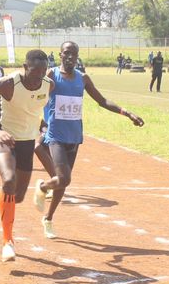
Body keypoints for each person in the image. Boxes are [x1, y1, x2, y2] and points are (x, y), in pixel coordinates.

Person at [33, 42, 144, 238]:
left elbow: (102, 101)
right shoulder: (51, 75)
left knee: (63, 183)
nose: (70, 57)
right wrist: (37, 119)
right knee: (65, 178)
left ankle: (48, 218)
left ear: (77, 57)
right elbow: (35, 95)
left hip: (74, 136)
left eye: (73, 54)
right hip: (55, 135)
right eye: (66, 53)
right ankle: (43, 188)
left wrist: (127, 113)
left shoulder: (82, 79)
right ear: (60, 55)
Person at [0, 49, 52, 262]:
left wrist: (42, 125)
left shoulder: (48, 84)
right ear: (25, 68)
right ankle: (8, 242)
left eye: (42, 72)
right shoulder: (7, 84)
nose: (37, 77)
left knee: (18, 197)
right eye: (34, 72)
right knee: (8, 180)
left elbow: (32, 108)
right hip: (4, 138)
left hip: (27, 143)